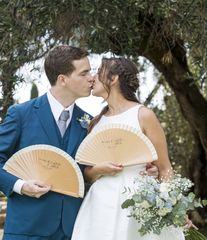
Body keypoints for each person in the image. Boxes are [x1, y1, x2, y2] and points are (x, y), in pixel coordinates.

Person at [0, 45, 94, 240]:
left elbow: (91, 169)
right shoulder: (21, 114)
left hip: (73, 229)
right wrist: (21, 185)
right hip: (27, 228)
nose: (91, 78)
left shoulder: (88, 121)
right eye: (84, 73)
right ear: (62, 79)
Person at [71, 57, 185, 240]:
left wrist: (174, 205)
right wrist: (98, 170)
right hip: (100, 204)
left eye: (99, 72)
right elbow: (88, 173)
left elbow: (164, 168)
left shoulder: (143, 115)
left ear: (114, 78)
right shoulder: (95, 122)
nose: (93, 78)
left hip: (138, 202)